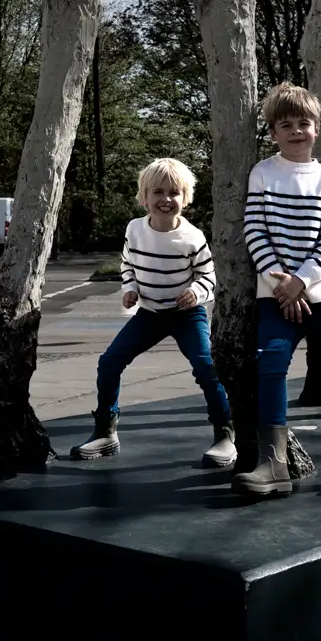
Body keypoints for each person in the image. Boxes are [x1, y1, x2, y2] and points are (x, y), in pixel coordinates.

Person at [233, 84, 321, 498]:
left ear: (317, 129)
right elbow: (254, 228)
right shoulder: (263, 172)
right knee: (271, 364)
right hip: (275, 294)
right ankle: (273, 463)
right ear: (274, 132)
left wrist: (302, 281)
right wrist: (281, 282)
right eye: (286, 125)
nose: (296, 131)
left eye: (303, 123)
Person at [69, 157, 236, 468]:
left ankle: (225, 433)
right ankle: (105, 431)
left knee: (206, 367)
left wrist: (195, 293)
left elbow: (209, 277)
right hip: (149, 314)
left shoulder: (191, 237)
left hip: (188, 315)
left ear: (185, 198)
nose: (165, 199)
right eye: (157, 192)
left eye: (174, 193)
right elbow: (127, 264)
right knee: (109, 363)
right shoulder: (135, 229)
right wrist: (129, 288)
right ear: (144, 196)